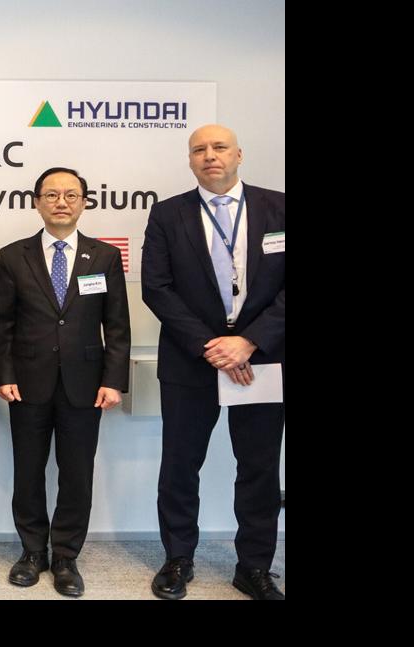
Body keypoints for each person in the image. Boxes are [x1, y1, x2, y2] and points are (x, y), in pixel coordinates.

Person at [141, 125, 286, 600]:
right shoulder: (167, 214)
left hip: (262, 360)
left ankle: (254, 566)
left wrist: (249, 342)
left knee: (259, 468)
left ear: (239, 154)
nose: (210, 156)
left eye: (219, 147)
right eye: (199, 150)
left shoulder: (279, 207)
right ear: (190, 161)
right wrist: (212, 346)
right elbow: (156, 287)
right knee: (180, 465)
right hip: (191, 359)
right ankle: (178, 559)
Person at [0, 166, 129, 597]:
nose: (61, 202)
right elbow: (2, 324)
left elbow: (117, 325)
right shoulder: (13, 255)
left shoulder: (104, 256)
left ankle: (66, 555)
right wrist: (4, 374)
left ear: (84, 202)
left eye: (71, 194)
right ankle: (33, 552)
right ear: (37, 202)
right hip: (27, 383)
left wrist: (113, 380)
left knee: (77, 473)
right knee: (28, 471)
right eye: (51, 195)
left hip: (86, 384)